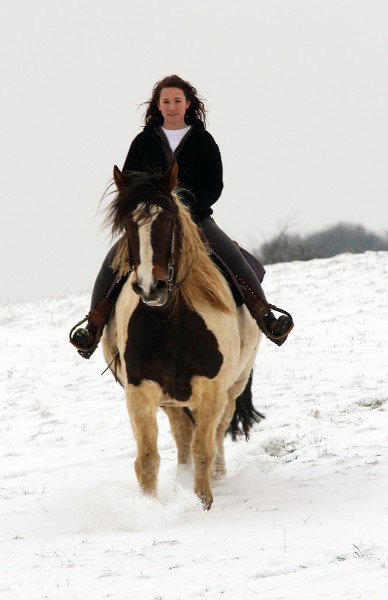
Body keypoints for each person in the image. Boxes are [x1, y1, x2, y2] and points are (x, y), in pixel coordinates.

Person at [70, 75, 293, 359]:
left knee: (230, 255)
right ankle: (93, 326)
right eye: (166, 101)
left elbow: (215, 184)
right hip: (150, 222)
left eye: (177, 101)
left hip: (196, 218)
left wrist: (185, 207)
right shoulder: (142, 142)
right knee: (112, 263)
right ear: (158, 106)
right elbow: (129, 183)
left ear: (188, 104)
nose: (172, 106)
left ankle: (266, 316)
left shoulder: (203, 141)